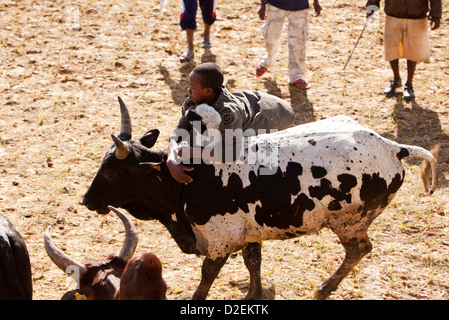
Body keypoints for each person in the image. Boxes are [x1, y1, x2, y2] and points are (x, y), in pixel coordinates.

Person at [167, 63, 295, 184]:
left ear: (207, 92)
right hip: (251, 104)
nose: (188, 91)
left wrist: (192, 152)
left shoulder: (227, 113)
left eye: (192, 87)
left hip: (274, 115)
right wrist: (171, 159)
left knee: (245, 149)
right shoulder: (193, 101)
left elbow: (230, 154)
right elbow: (178, 132)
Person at [366, 0, 442, 100]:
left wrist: (436, 16)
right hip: (393, 13)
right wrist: (371, 6)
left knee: (413, 50)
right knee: (392, 47)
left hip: (416, 15)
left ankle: (409, 84)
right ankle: (396, 79)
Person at [252, 0, 322, 90]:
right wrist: (262, 5)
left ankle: (296, 76)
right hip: (275, 5)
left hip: (300, 7)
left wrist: (316, 2)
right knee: (270, 37)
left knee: (299, 41)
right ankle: (267, 61)